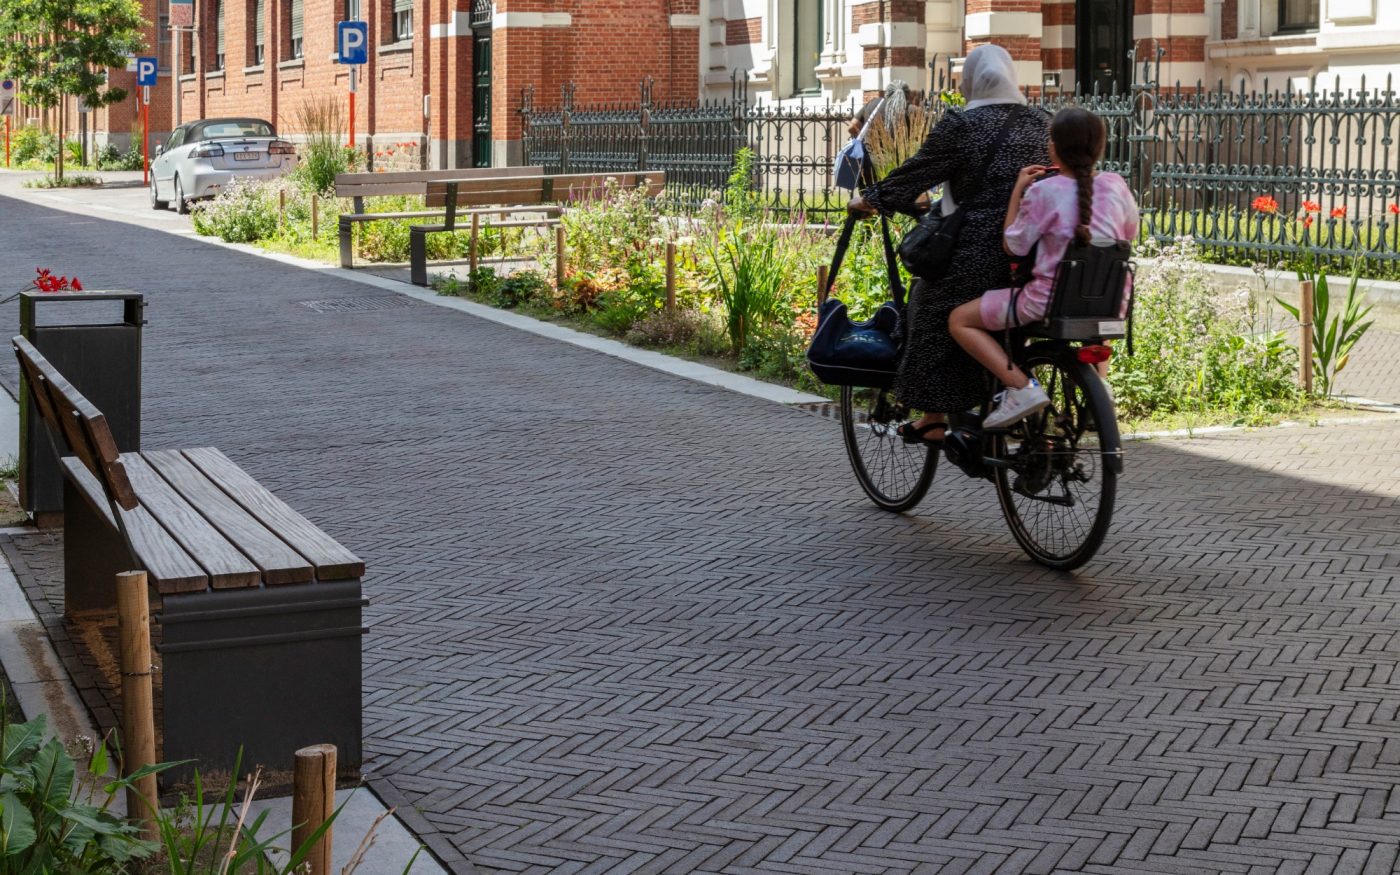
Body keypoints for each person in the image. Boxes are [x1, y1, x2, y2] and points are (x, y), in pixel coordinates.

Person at [847, 46, 1050, 447]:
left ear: (971, 81)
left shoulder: (962, 124)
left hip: (976, 251)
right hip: (1033, 255)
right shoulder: (1042, 123)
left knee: (927, 303)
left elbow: (920, 170)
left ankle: (933, 417)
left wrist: (870, 199)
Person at [948, 106, 1139, 428]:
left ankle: (1022, 388)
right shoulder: (1117, 185)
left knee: (959, 320)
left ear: (1053, 148)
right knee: (1091, 309)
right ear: (1100, 147)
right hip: (1109, 301)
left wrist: (1017, 192)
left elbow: (1014, 245)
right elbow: (1128, 233)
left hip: (1045, 302)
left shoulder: (1043, 191)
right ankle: (1099, 388)